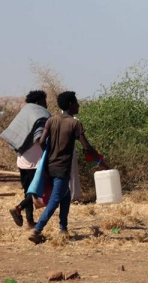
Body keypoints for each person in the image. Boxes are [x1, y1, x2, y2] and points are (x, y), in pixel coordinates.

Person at [28, 91, 107, 244]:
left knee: (65, 195)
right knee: (55, 200)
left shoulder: (51, 120)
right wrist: (101, 162)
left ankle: (63, 229)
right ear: (71, 104)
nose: (78, 105)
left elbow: (42, 141)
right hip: (62, 168)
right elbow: (87, 147)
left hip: (51, 165)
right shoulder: (74, 123)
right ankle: (37, 230)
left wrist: (51, 153)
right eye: (76, 103)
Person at [1, 90, 50, 229]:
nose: (45, 104)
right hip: (36, 161)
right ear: (38, 101)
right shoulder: (40, 115)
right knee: (37, 191)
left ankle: (29, 222)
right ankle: (18, 207)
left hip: (22, 160)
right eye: (44, 101)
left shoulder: (23, 113)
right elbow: (40, 139)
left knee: (28, 190)